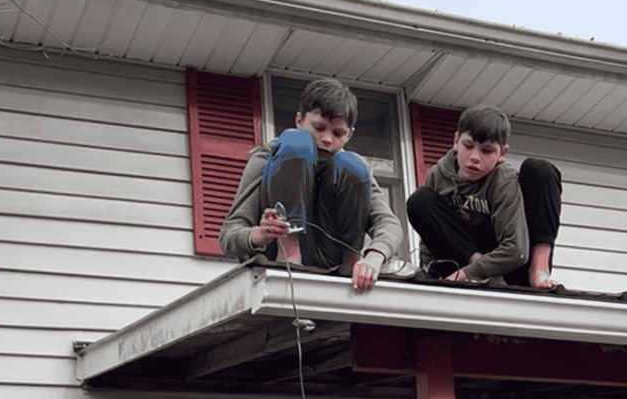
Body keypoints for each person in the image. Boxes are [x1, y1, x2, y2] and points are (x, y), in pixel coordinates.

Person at [219, 78, 403, 293]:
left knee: (353, 163)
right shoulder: (266, 156)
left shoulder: (356, 170)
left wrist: (374, 257)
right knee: (295, 143)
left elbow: (389, 224)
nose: (326, 139)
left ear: (349, 134)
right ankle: (290, 253)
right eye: (319, 127)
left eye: (338, 133)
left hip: (333, 261)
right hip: (277, 258)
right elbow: (228, 235)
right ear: (299, 119)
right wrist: (260, 234)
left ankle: (351, 263)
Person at [406, 105, 561, 289]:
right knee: (419, 200)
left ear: (501, 154)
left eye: (486, 151)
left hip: (510, 266)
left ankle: (539, 269)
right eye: (468, 146)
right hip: (463, 261)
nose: (475, 157)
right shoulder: (438, 175)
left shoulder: (503, 179)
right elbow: (429, 233)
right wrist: (429, 271)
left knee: (540, 170)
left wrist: (471, 272)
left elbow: (516, 251)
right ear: (456, 141)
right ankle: (477, 272)